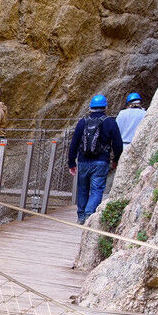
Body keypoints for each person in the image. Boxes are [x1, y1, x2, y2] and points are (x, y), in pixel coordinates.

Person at [68, 94, 123, 224]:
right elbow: (118, 144)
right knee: (97, 189)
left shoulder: (83, 122)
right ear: (105, 107)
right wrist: (116, 160)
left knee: (82, 188)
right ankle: (89, 214)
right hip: (101, 161)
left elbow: (74, 143)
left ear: (90, 107)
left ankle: (81, 216)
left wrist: (71, 162)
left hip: (83, 161)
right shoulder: (110, 122)